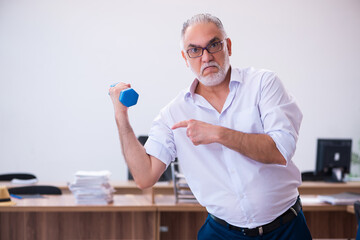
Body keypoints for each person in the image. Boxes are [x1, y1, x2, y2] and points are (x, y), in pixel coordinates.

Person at [109, 13, 312, 240]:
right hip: (221, 233)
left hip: (286, 229)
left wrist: (218, 133)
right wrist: (121, 116)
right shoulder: (173, 114)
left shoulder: (263, 84)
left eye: (213, 45)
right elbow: (144, 177)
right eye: (194, 50)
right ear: (185, 58)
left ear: (228, 46)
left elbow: (281, 149)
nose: (206, 57)